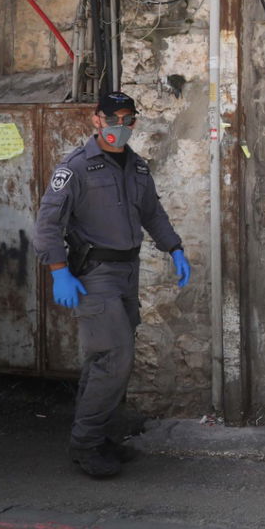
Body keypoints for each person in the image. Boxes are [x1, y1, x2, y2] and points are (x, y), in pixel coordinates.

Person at [32, 91, 189, 478]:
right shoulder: (76, 167)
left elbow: (153, 214)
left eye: (128, 119)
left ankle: (96, 436)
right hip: (94, 274)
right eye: (114, 118)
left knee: (102, 361)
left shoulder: (137, 167)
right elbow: (48, 225)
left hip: (126, 273)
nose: (121, 126)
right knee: (116, 358)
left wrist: (175, 249)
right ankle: (86, 444)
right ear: (97, 119)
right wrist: (58, 271)